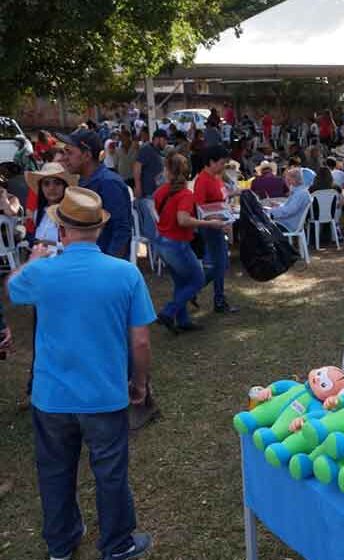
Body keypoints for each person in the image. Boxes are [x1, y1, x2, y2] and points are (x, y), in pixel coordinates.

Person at [7, 186, 155, 560]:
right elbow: (140, 342)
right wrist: (139, 384)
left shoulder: (43, 272)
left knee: (55, 471)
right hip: (104, 394)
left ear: (62, 231)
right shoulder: (125, 274)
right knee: (110, 472)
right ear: (100, 229)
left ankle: (61, 543)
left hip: (52, 397)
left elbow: (12, 287)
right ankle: (117, 543)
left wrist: (32, 258)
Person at [153, 154, 230, 334]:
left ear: (168, 171)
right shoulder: (185, 194)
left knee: (181, 283)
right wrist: (210, 223)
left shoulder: (160, 191)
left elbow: (161, 214)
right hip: (176, 244)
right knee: (197, 280)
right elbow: (183, 220)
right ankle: (168, 312)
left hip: (162, 243)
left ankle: (183, 320)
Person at [57, 129, 132, 259]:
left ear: (86, 155)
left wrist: (108, 266)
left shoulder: (108, 183)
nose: (64, 158)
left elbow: (122, 231)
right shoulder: (83, 181)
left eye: (69, 152)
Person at [194, 145, 238, 313]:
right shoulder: (203, 180)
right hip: (211, 227)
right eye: (221, 163)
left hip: (220, 225)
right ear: (211, 162)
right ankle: (216, 299)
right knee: (219, 265)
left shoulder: (216, 177)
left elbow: (221, 199)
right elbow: (200, 207)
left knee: (221, 265)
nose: (223, 166)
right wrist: (216, 218)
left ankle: (196, 290)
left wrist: (231, 200)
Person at [25, 162, 73, 247]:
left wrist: (48, 244)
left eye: (57, 183)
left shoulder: (72, 214)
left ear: (65, 187)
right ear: (41, 188)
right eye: (46, 184)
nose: (51, 188)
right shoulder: (38, 213)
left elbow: (75, 247)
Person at [133, 129, 168, 240]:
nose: (166, 143)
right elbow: (137, 167)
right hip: (148, 196)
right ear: (157, 139)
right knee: (152, 231)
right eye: (164, 140)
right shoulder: (146, 150)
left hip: (155, 196)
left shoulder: (157, 152)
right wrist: (138, 186)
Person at [269, 167, 311, 233]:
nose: (286, 182)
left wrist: (270, 212)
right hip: (288, 222)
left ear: (294, 180)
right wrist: (278, 205)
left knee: (260, 228)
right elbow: (290, 208)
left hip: (287, 225)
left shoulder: (300, 193)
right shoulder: (300, 191)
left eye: (288, 179)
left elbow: (288, 211)